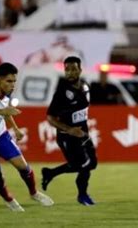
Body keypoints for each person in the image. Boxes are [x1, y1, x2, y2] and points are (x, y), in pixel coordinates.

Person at [0, 62, 54, 212]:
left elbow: (5, 111)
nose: (12, 85)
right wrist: (3, 111)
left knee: (23, 166)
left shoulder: (7, 93)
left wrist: (16, 129)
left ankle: (34, 193)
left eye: (14, 81)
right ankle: (9, 199)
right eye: (9, 81)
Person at [41, 56, 98, 206]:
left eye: (73, 69)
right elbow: (50, 117)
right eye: (67, 70)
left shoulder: (85, 87)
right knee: (84, 164)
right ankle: (83, 195)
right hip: (67, 136)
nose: (70, 73)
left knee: (91, 164)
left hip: (83, 134)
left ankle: (50, 173)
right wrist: (69, 129)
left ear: (80, 69)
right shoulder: (62, 92)